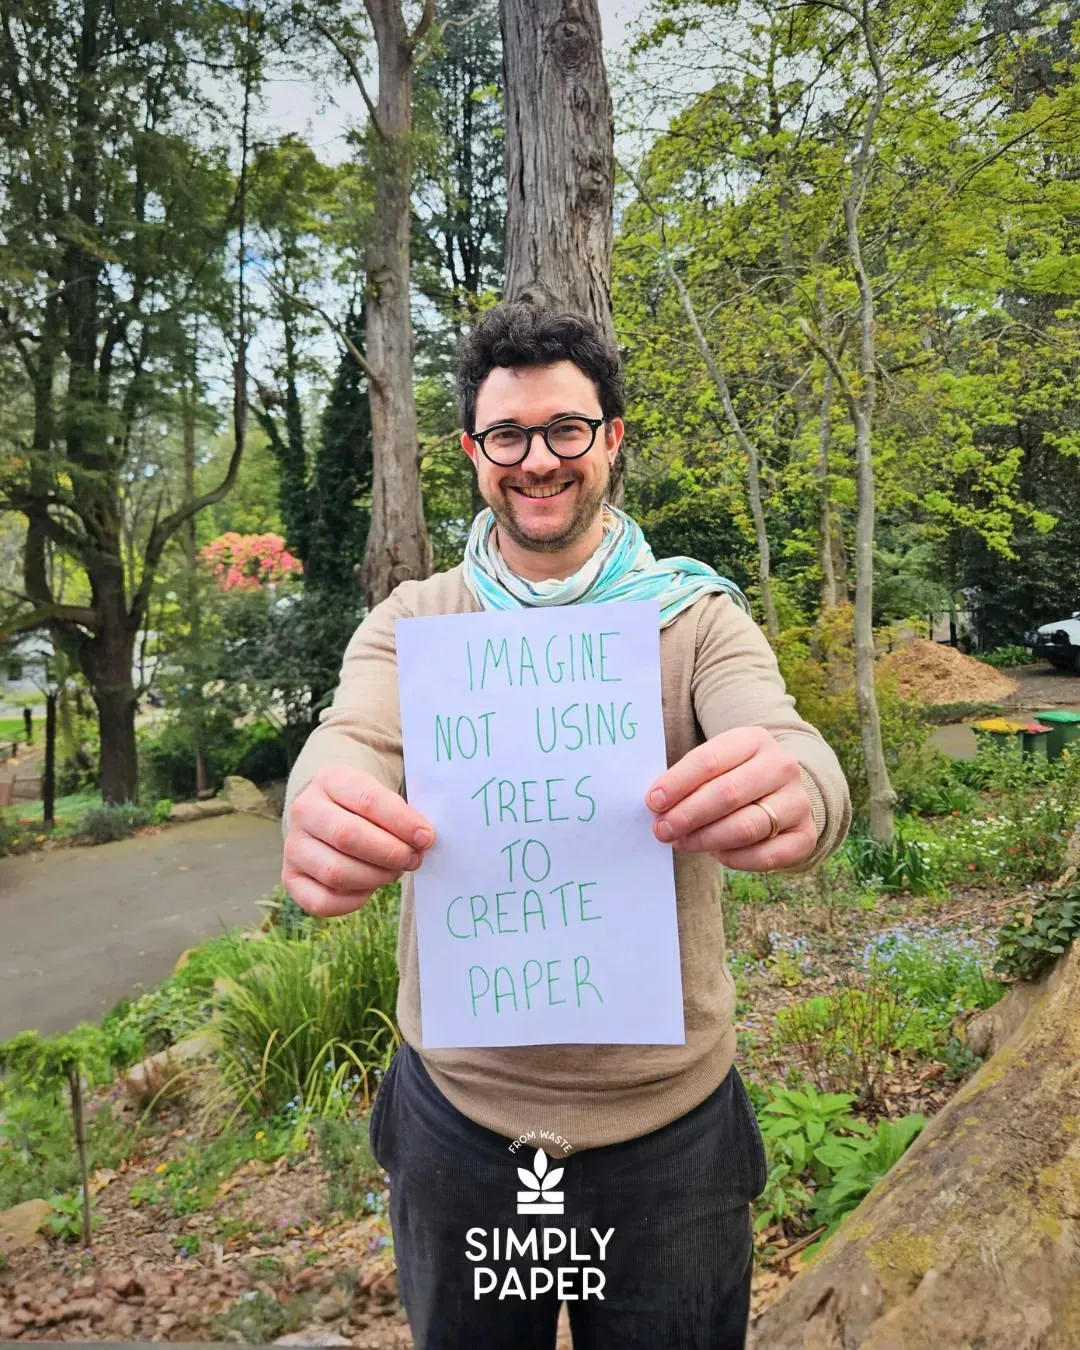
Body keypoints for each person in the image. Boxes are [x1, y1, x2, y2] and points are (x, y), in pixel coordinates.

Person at [281, 304, 851, 1350]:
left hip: (669, 1139)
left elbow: (782, 736)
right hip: (461, 1130)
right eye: (508, 436)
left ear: (612, 439)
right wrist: (318, 799)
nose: (537, 460)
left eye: (566, 431)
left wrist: (804, 791)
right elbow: (350, 735)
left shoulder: (695, 618)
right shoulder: (417, 622)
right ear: (474, 452)